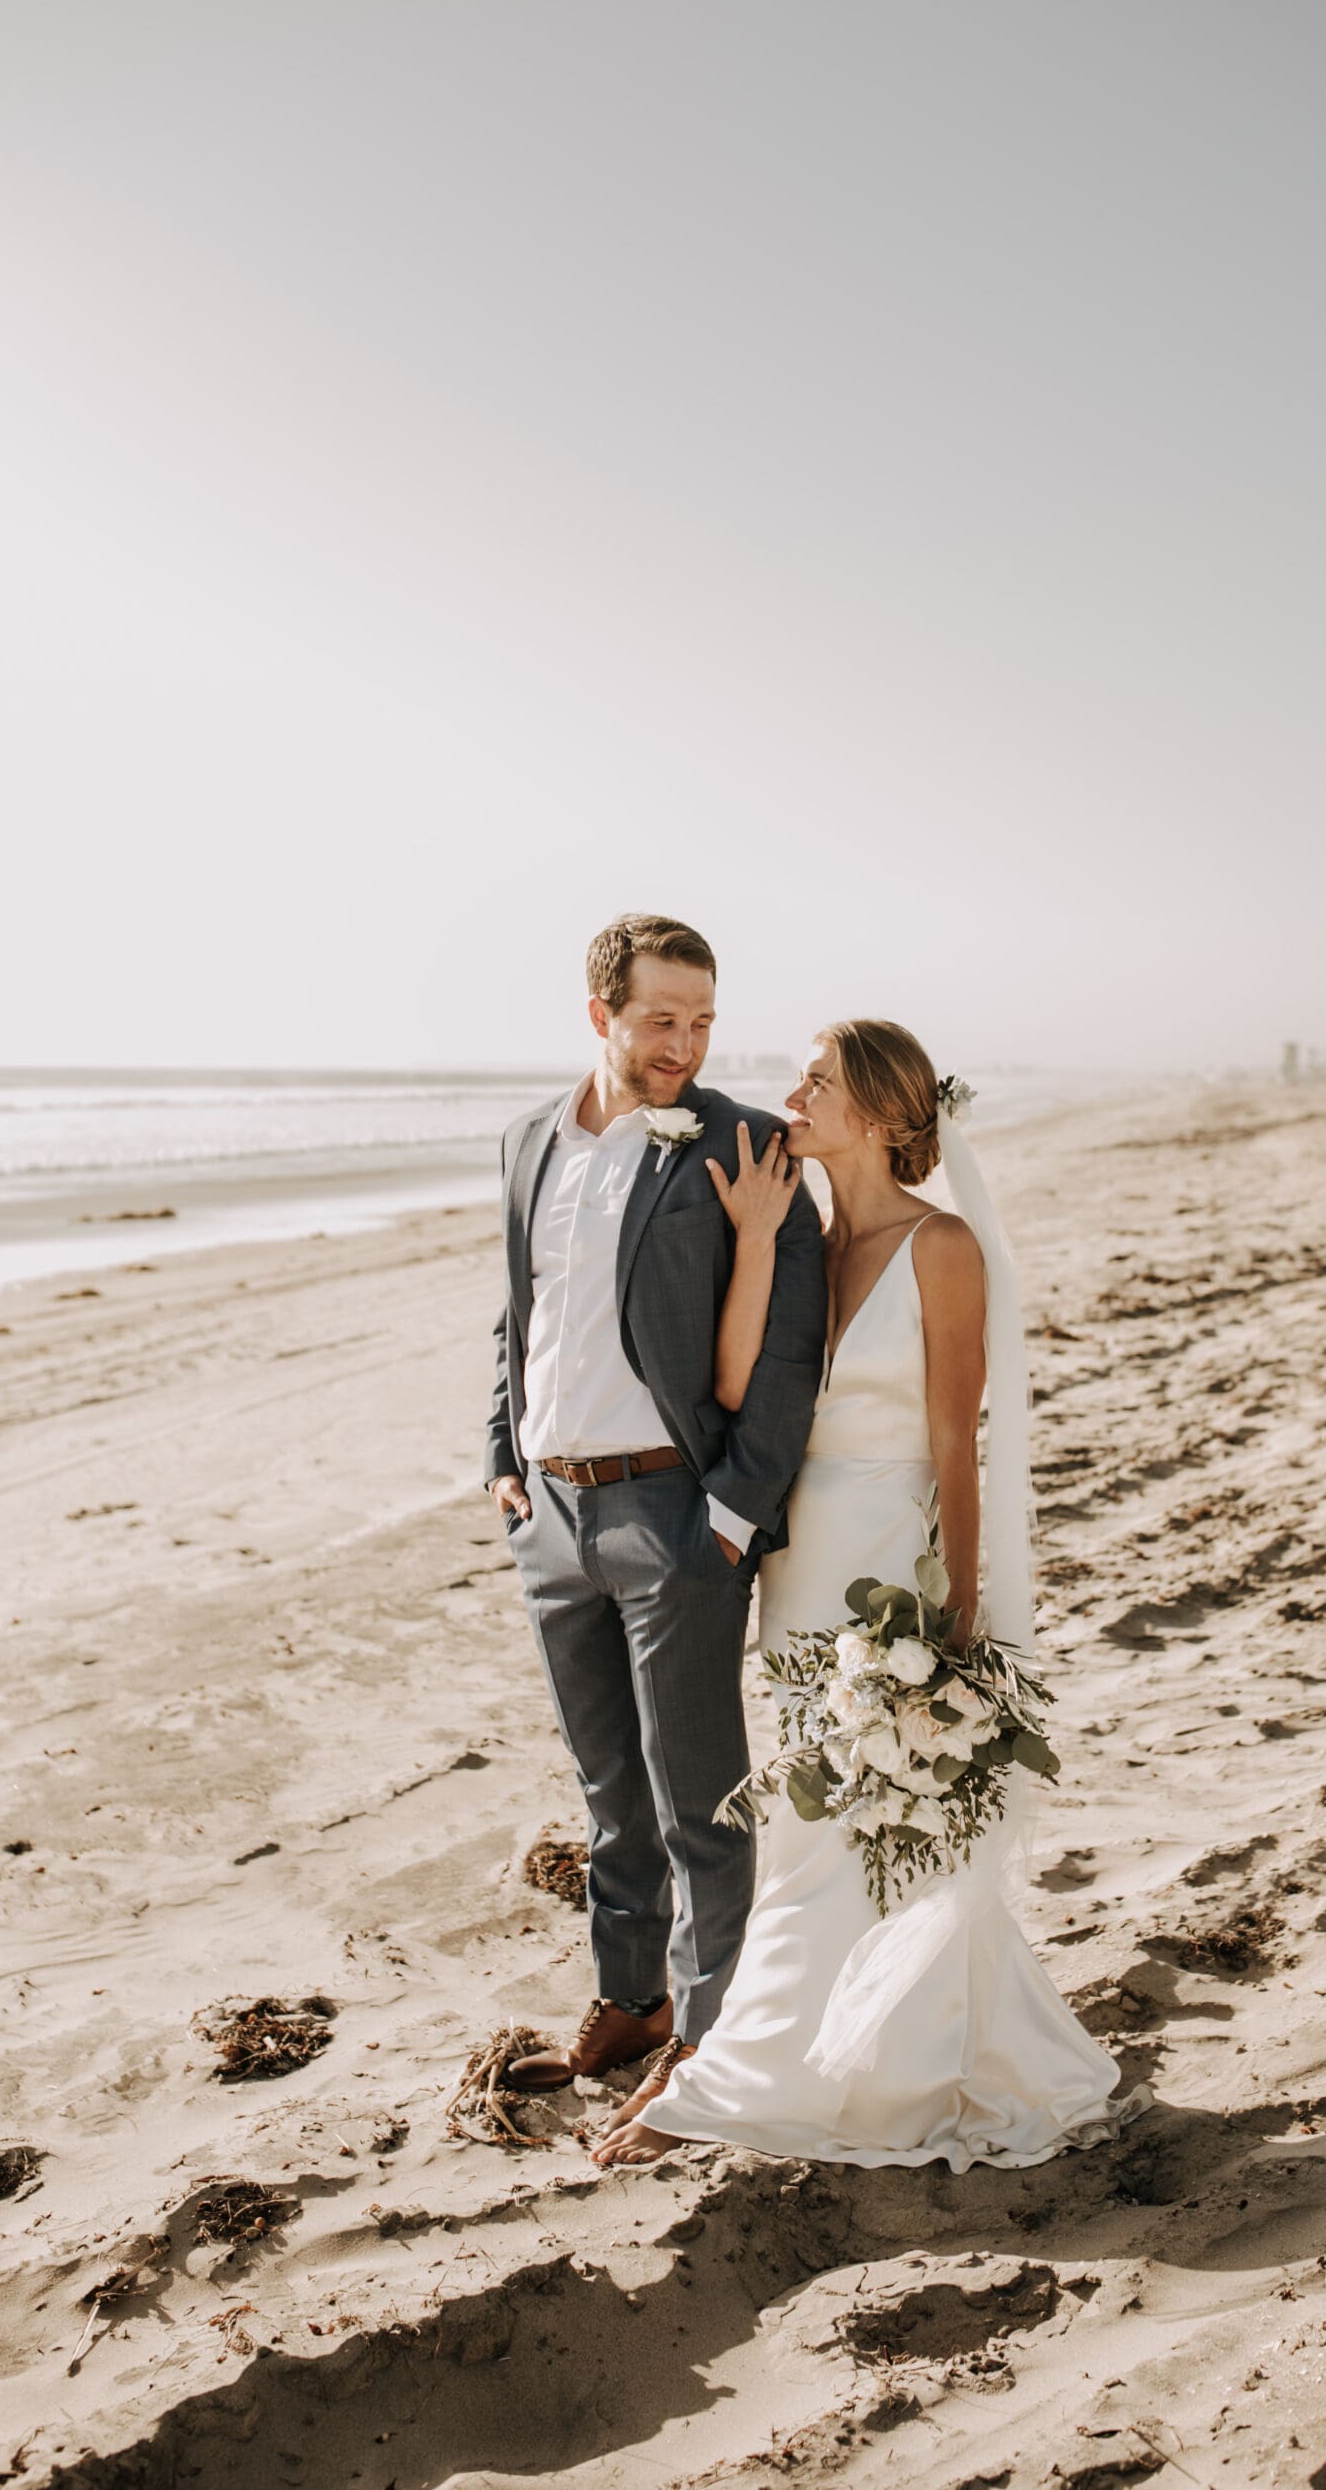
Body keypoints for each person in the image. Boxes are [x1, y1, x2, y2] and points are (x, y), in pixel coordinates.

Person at [592, 1019, 1146, 2170]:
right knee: (810, 1816)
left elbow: (959, 1438)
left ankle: (775, 2072)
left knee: (872, 1810)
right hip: (798, 1564)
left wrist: (961, 1610)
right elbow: (747, 1392)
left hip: (892, 1557)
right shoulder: (808, 1236)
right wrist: (750, 1237)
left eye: (820, 1082)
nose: (792, 1091)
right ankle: (839, 2048)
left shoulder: (943, 1247)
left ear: (886, 1119)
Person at [485, 915, 826, 2103]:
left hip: (675, 1516)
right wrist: (501, 1456)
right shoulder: (530, 1141)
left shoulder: (741, 1142)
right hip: (552, 1521)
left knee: (700, 1801)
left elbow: (790, 1348)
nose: (685, 1043)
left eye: (703, 1020)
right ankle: (631, 2004)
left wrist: (732, 1515)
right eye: (661, 1020)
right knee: (608, 1796)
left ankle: (711, 2045)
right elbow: (518, 1315)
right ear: (602, 1016)